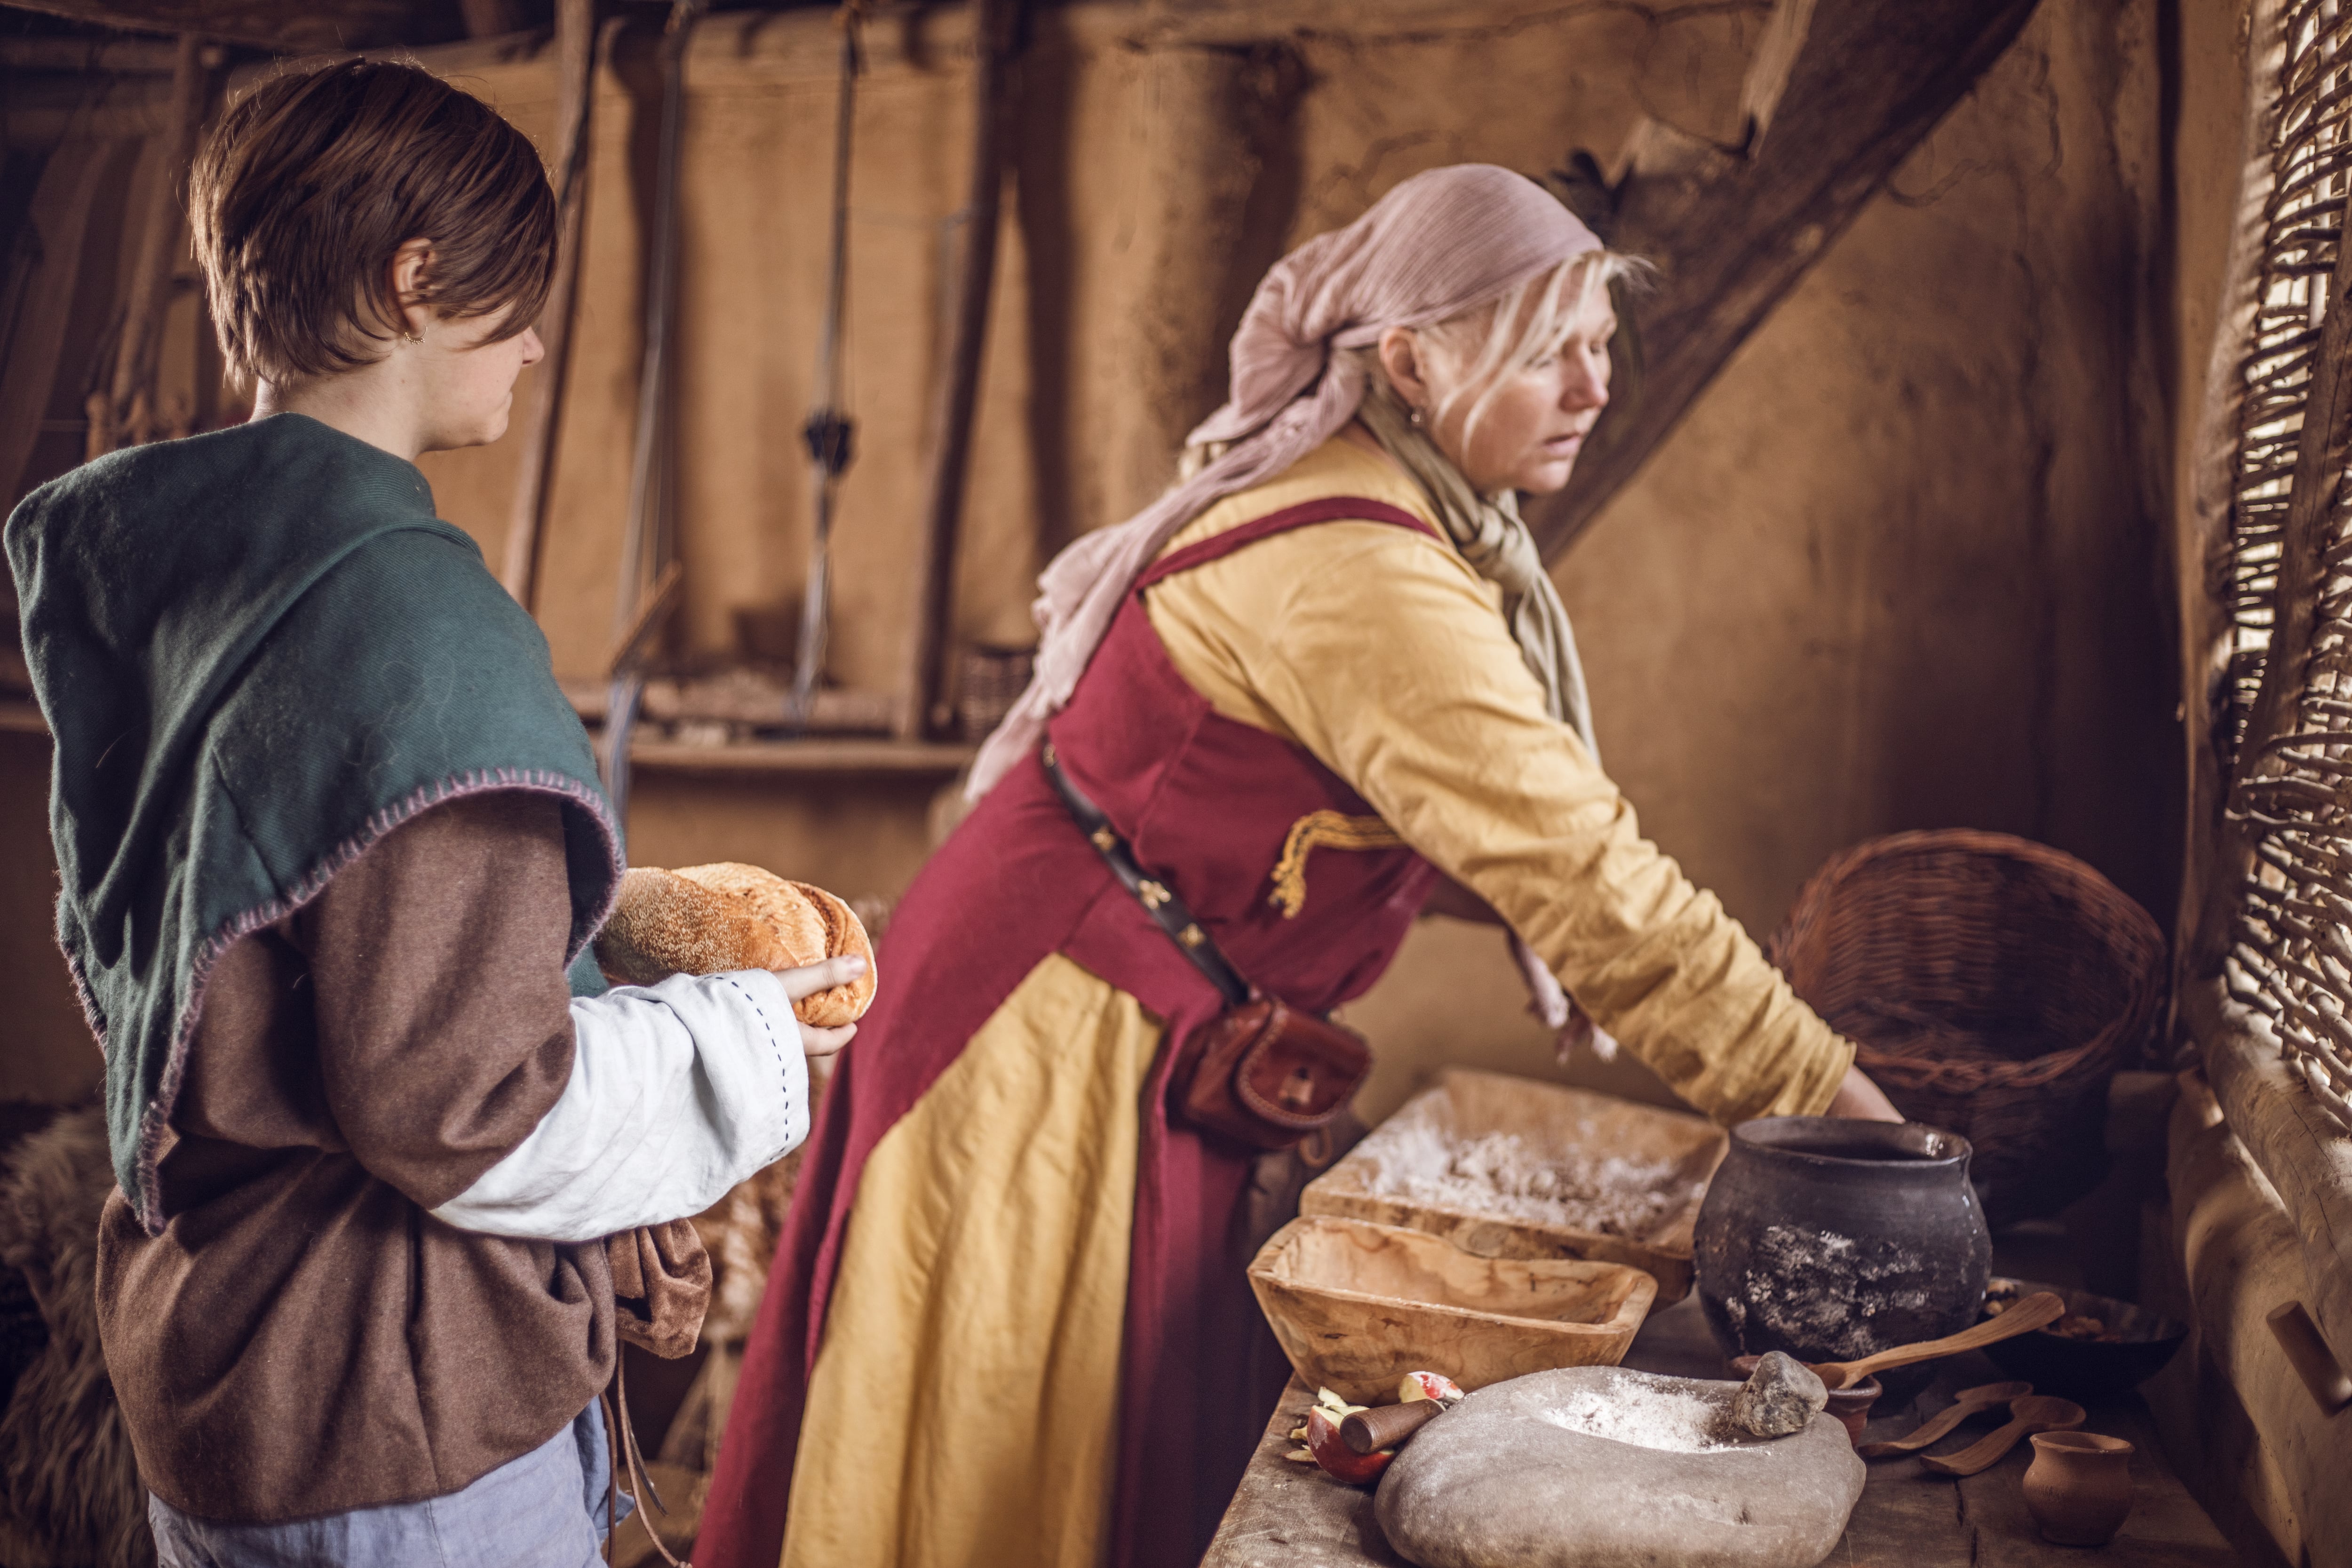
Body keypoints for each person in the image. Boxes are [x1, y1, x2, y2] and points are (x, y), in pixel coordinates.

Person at [698, 164, 1900, 1568]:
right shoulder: (1359, 568)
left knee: (1098, 1445)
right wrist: (1865, 1140)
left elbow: (1402, 812)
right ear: (1409, 358)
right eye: (1548, 350)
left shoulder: (1396, 512)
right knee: (1003, 1459)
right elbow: (1605, 896)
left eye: (1599, 342)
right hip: (1049, 1039)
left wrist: (1504, 883)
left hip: (1124, 1008)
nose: (1594, 385)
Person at [5, 60, 862, 1567]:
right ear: (415, 283)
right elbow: (474, 1116)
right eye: (518, 302)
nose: (533, 343)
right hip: (383, 1416)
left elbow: (301, 937)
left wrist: (578, 927)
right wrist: (748, 1040)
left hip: (209, 1361)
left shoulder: (158, 573)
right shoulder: (414, 622)